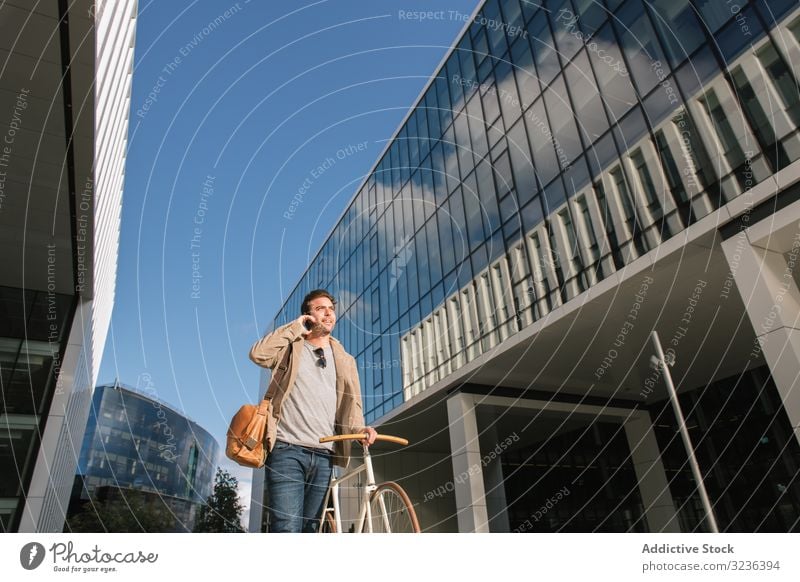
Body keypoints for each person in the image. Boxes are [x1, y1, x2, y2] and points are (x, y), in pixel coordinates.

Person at [249, 289, 377, 532]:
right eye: (320, 309)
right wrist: (296, 328)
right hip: (287, 449)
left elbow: (353, 403)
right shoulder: (290, 348)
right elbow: (257, 354)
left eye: (331, 308)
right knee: (287, 528)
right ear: (307, 316)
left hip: (325, 454)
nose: (328, 313)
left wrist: (360, 428)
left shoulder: (345, 359)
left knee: (310, 530)